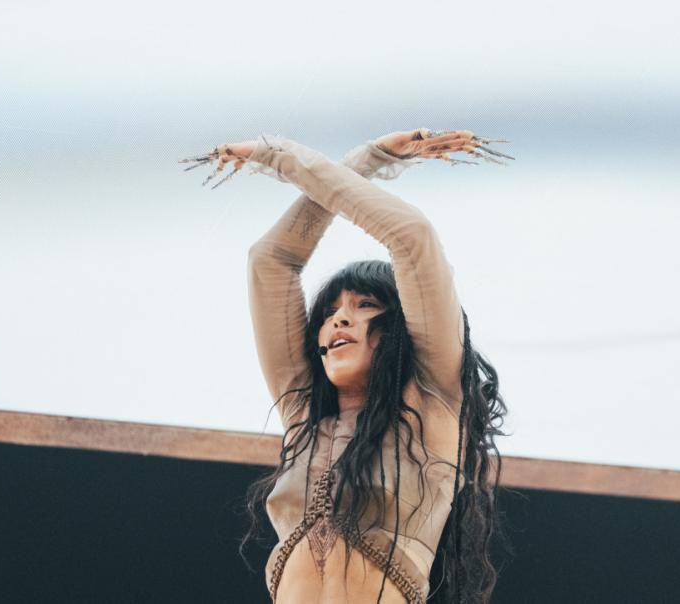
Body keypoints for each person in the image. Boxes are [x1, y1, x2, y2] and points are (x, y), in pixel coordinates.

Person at [181, 129, 512, 603]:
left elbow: (411, 237)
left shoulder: (433, 403)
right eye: (330, 311)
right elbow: (270, 261)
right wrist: (363, 163)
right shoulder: (304, 417)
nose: (339, 318)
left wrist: (283, 157)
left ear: (399, 329)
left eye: (364, 305)